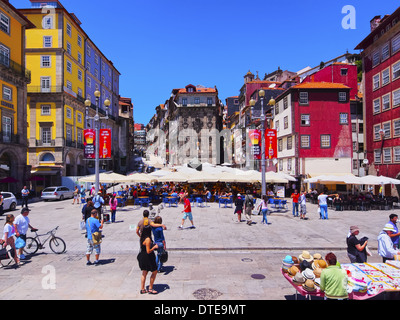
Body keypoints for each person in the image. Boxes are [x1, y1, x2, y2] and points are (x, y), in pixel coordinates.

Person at [137, 223, 159, 294]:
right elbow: (148, 251)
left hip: (142, 256)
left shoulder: (141, 237)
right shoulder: (148, 239)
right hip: (148, 257)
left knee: (144, 272)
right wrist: (154, 247)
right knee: (154, 271)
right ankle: (150, 288)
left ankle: (142, 289)